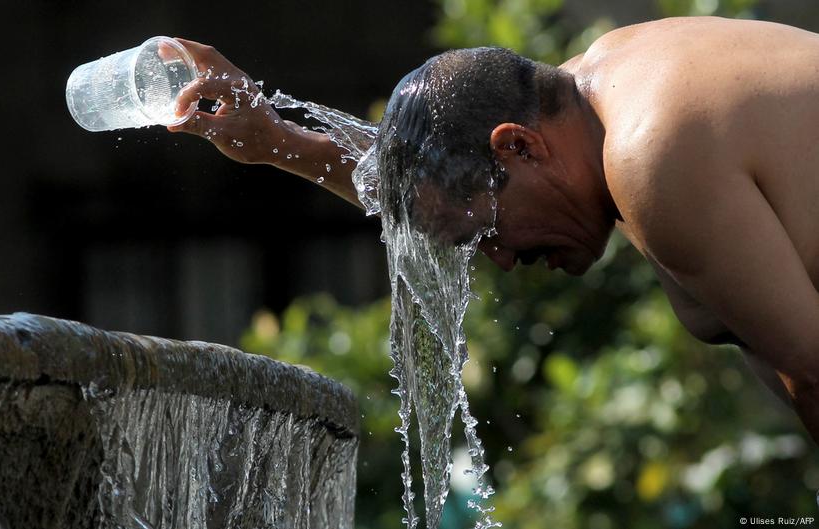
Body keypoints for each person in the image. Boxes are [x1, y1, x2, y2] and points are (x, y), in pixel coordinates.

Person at [164, 16, 819, 444]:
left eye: (487, 234)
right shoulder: (598, 86)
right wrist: (277, 140)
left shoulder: (651, 157)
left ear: (521, 148)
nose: (501, 259)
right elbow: (444, 179)